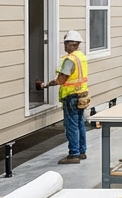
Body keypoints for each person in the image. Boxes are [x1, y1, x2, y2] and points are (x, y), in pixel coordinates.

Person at [34, 30, 89, 165]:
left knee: (71, 125)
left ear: (72, 45)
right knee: (80, 124)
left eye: (66, 44)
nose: (64, 47)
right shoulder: (81, 56)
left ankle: (74, 154)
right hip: (82, 95)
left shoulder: (70, 60)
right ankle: (81, 152)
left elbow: (60, 80)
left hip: (71, 97)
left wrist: (44, 85)